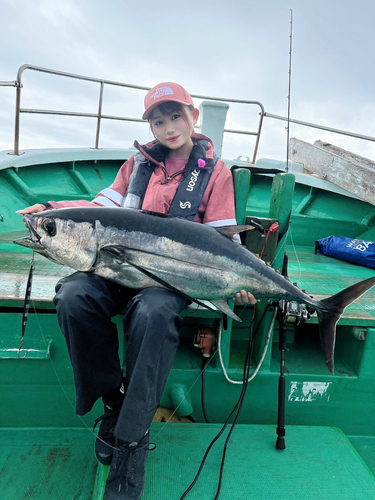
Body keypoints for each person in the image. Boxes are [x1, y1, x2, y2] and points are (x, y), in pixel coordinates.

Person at [17, 82, 256, 500]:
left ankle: (132, 438)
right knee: (74, 295)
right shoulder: (137, 164)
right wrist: (50, 211)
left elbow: (222, 237)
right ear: (150, 125)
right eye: (158, 120)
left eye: (175, 116)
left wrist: (238, 282)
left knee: (154, 314)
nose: (168, 127)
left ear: (193, 116)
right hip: (117, 271)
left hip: (170, 281)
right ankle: (114, 401)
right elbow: (99, 209)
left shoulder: (215, 173)